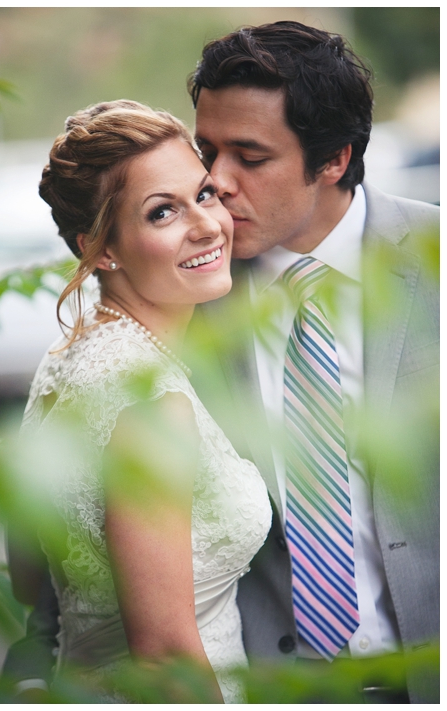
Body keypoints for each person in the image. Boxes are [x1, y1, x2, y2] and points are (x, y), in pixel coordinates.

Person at [189, 21, 439, 702]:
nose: (214, 181)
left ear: (334, 158)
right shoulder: (185, 294)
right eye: (206, 150)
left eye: (249, 155)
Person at [20, 99, 272, 703]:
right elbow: (162, 657)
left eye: (204, 195)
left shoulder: (66, 360)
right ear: (101, 248)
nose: (207, 225)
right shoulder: (148, 400)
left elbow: (32, 575)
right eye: (163, 212)